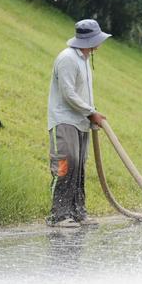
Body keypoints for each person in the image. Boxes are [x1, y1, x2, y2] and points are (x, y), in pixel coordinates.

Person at [46, 19, 110, 228]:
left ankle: (78, 212)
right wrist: (91, 113)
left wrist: (90, 115)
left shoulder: (84, 59)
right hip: (64, 120)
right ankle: (59, 215)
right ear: (90, 40)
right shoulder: (67, 59)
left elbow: (82, 93)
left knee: (79, 167)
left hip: (81, 122)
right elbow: (68, 93)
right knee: (66, 164)